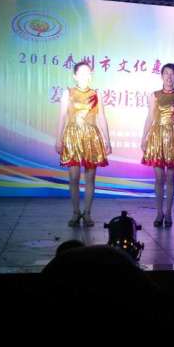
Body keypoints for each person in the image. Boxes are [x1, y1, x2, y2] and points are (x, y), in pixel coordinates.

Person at [55, 61, 112, 228]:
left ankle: (87, 213)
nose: (86, 75)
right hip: (72, 136)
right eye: (82, 72)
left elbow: (101, 117)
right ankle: (75, 212)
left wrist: (107, 140)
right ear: (75, 76)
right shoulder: (68, 93)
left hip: (91, 137)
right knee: (73, 177)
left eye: (88, 72)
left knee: (90, 178)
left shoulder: (96, 94)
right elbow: (62, 117)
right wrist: (58, 139)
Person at [141, 63, 174, 228]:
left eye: (172, 74)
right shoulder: (155, 95)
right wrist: (144, 137)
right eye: (166, 73)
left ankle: (169, 212)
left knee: (171, 177)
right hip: (157, 137)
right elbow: (150, 117)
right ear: (161, 76)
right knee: (159, 178)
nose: (169, 77)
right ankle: (159, 212)